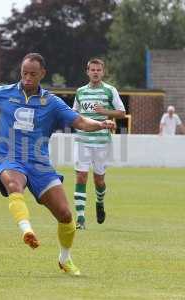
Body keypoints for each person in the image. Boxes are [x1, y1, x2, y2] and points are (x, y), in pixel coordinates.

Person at [0, 53, 115, 276]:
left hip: (40, 165)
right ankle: (26, 230)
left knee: (66, 215)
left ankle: (65, 259)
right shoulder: (4, 93)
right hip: (10, 158)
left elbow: (79, 121)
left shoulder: (52, 102)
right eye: (24, 73)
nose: (27, 78)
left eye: (32, 74)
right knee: (13, 184)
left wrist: (100, 124)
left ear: (42, 74)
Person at [72, 58, 126, 230]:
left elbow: (122, 112)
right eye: (92, 69)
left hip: (102, 142)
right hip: (82, 140)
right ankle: (80, 219)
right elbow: (74, 114)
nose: (95, 72)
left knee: (99, 180)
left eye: (98, 70)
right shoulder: (80, 92)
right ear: (87, 71)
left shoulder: (110, 90)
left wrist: (105, 112)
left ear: (103, 72)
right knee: (81, 176)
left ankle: (99, 202)